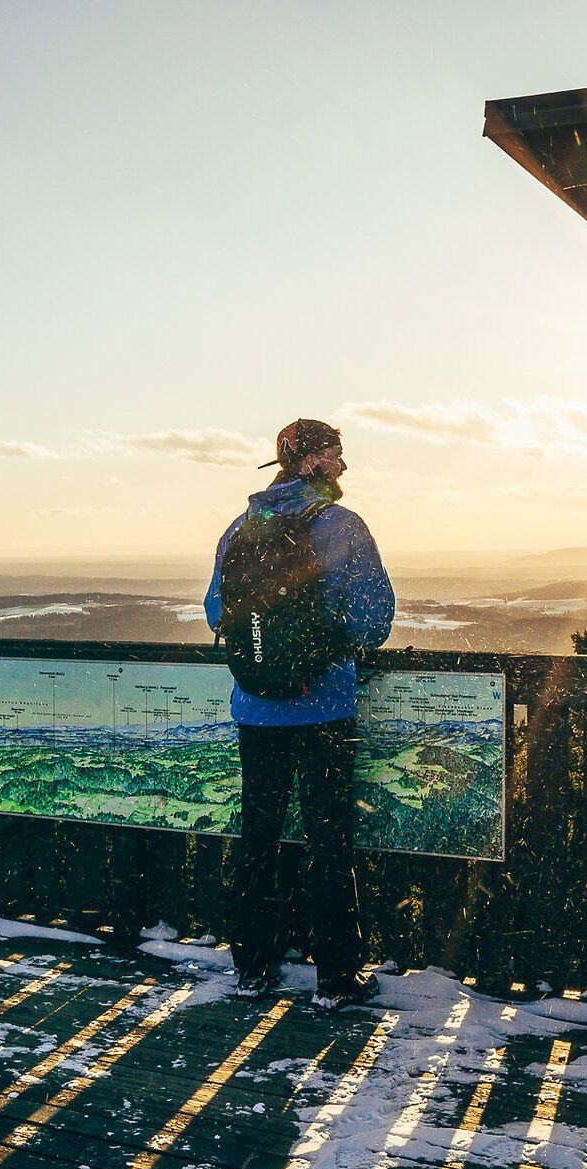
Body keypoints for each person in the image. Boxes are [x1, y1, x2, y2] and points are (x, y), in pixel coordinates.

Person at [204, 418, 395, 1010]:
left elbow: (217, 611)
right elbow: (374, 617)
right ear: (311, 462)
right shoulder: (343, 527)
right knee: (328, 841)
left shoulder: (241, 528)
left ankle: (252, 967)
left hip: (256, 711)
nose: (344, 468)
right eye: (336, 456)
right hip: (323, 710)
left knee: (258, 836)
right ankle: (336, 976)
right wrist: (327, 644)